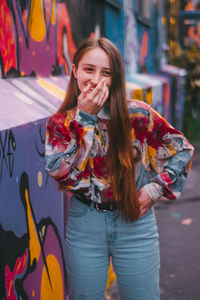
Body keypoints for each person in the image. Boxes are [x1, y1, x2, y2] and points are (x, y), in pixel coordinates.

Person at [45, 37, 194, 300]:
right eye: (89, 69)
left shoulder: (138, 115)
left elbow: (182, 150)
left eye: (107, 73)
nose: (95, 80)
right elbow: (63, 175)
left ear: (115, 78)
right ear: (74, 70)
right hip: (85, 225)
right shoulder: (61, 123)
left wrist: (154, 188)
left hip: (135, 225)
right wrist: (85, 119)